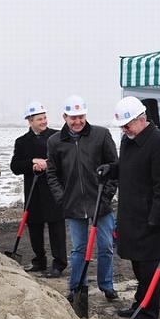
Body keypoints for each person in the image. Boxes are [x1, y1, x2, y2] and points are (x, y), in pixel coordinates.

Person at [98, 96, 160, 319]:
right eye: (122, 126)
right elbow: (128, 168)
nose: (125, 129)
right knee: (138, 266)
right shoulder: (128, 140)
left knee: (150, 270)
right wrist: (112, 169)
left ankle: (149, 314)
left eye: (128, 124)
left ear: (142, 118)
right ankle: (139, 304)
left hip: (152, 219)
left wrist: (156, 219)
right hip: (131, 216)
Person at [46, 95, 119, 302]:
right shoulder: (55, 142)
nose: (77, 121)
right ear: (65, 117)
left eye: (81, 117)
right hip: (73, 205)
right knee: (78, 249)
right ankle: (77, 287)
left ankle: (107, 285)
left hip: (100, 203)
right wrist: (63, 199)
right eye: (73, 118)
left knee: (106, 246)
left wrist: (106, 196)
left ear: (86, 115)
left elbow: (115, 167)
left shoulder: (101, 135)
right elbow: (52, 174)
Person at [10, 101, 67, 277]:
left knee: (56, 227)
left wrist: (48, 164)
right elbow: (15, 166)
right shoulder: (22, 142)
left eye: (44, 118)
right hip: (33, 190)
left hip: (54, 189)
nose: (43, 121)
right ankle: (39, 261)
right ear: (30, 121)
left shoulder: (57, 136)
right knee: (34, 226)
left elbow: (66, 160)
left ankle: (59, 263)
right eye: (39, 119)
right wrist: (32, 162)